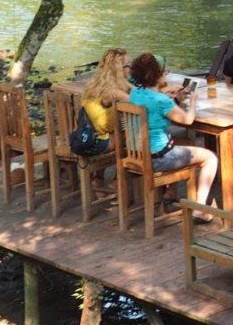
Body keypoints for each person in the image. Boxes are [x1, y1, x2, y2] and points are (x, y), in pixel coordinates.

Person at [126, 52, 217, 218]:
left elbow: (159, 112)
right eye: (164, 71)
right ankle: (200, 209)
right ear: (156, 75)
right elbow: (188, 120)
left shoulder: (135, 94)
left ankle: (171, 192)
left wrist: (178, 101)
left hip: (138, 153)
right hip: (159, 158)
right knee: (210, 158)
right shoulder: (161, 100)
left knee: (184, 141)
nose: (166, 73)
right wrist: (193, 101)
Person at [79, 48, 128, 155]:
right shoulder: (113, 92)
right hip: (98, 143)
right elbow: (141, 103)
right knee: (139, 135)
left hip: (85, 138)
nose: (131, 68)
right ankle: (130, 168)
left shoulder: (94, 85)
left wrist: (125, 82)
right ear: (119, 69)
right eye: (128, 65)